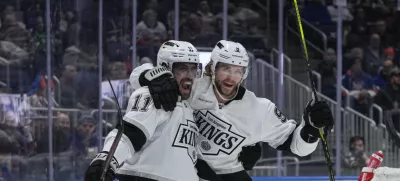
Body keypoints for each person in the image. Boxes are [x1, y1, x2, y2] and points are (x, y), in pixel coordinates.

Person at [129, 40, 335, 181]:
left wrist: (310, 130)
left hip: (228, 174)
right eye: (225, 69)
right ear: (212, 68)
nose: (231, 77)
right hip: (187, 171)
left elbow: (298, 147)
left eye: (238, 71)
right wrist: (154, 77)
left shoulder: (260, 110)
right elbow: (138, 75)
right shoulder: (193, 87)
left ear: (245, 74)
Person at [84, 40, 202, 181]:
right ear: (166, 68)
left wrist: (145, 73)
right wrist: (106, 161)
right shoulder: (154, 96)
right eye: (182, 68)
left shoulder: (194, 102)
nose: (189, 75)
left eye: (193, 68)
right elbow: (131, 132)